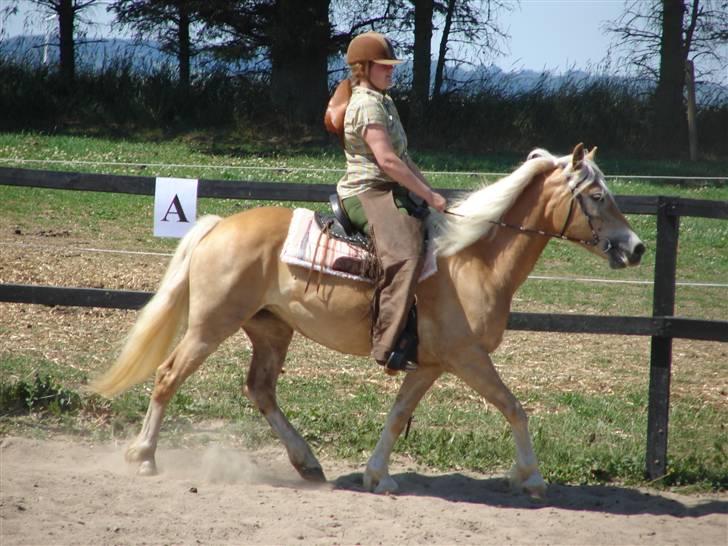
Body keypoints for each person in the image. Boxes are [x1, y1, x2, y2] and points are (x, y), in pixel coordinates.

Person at [334, 31, 447, 373]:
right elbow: (387, 161)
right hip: (366, 192)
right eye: (383, 66)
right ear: (363, 67)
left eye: (390, 65)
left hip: (388, 190)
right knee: (405, 253)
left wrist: (433, 196)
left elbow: (404, 158)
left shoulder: (383, 100)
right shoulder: (367, 103)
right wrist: (427, 195)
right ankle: (388, 344)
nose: (390, 71)